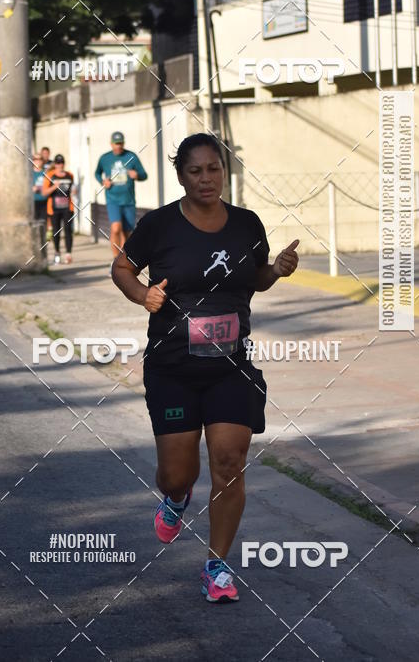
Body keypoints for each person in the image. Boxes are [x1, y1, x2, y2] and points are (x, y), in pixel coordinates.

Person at [111, 133, 299, 603]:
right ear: (180, 176)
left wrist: (275, 269)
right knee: (177, 474)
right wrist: (143, 294)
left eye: (213, 169)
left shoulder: (246, 224)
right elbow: (122, 269)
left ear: (224, 171)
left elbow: (254, 279)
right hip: (172, 366)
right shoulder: (159, 226)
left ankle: (216, 567)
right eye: (195, 171)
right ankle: (176, 499)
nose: (206, 179)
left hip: (230, 366)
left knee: (230, 464)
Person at [95, 131, 147, 261]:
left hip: (128, 200)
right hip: (113, 199)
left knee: (127, 233)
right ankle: (115, 259)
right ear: (111, 144)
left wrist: (137, 175)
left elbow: (144, 175)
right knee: (116, 227)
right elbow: (97, 173)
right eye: (116, 143)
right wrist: (103, 181)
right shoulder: (105, 158)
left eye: (121, 143)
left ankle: (125, 260)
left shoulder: (131, 157)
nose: (118, 146)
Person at [41, 154, 76, 264]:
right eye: (57, 163)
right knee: (56, 232)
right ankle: (56, 252)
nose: (60, 165)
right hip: (54, 208)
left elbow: (72, 189)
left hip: (67, 207)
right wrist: (54, 186)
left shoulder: (70, 175)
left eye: (61, 163)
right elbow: (44, 193)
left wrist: (74, 191)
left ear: (64, 164)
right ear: (55, 164)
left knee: (68, 231)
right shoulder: (49, 175)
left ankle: (68, 254)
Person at [32, 153, 47, 224]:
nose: (37, 161)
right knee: (34, 224)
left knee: (43, 223)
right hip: (33, 202)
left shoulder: (46, 173)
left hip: (44, 201)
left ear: (42, 161)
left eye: (39, 159)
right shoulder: (29, 173)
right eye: (35, 159)